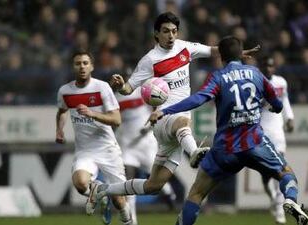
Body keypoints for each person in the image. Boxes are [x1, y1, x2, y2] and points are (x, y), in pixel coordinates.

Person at [86, 11, 260, 209]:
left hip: (175, 130)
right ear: (156, 34)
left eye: (174, 31)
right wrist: (120, 85)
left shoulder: (184, 48)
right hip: (163, 117)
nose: (171, 36)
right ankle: (194, 152)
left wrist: (236, 55)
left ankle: (101, 190)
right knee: (182, 122)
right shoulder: (150, 60)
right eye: (166, 31)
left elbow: (213, 50)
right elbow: (128, 89)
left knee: (154, 185)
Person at [149, 36, 308, 225]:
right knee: (286, 173)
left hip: (225, 149)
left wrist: (165, 110)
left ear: (221, 57)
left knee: (196, 193)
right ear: (241, 54)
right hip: (255, 142)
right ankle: (291, 200)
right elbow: (277, 105)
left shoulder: (218, 77)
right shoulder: (256, 74)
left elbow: (199, 98)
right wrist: (270, 106)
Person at [55, 50, 132, 225]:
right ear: (73, 67)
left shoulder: (102, 87)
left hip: (108, 149)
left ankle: (126, 218)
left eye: (85, 63)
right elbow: (62, 111)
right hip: (85, 151)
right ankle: (99, 191)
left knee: (120, 201)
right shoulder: (65, 91)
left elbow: (116, 120)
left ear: (92, 66)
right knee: (81, 183)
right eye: (78, 63)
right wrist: (59, 130)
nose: (82, 67)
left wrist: (92, 114)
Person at [115, 86, 177, 225]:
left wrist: (150, 125)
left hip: (146, 144)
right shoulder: (113, 98)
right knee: (127, 183)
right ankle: (132, 221)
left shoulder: (142, 91)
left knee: (155, 178)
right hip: (128, 146)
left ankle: (168, 194)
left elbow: (159, 107)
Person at [259, 56, 295, 224]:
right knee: (266, 178)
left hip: (278, 133)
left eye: (271, 65)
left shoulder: (281, 82)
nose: (269, 68)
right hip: (261, 133)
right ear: (261, 66)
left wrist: (290, 118)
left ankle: (280, 211)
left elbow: (285, 100)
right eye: (266, 65)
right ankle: (273, 199)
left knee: (281, 171)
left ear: (275, 67)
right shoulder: (256, 82)